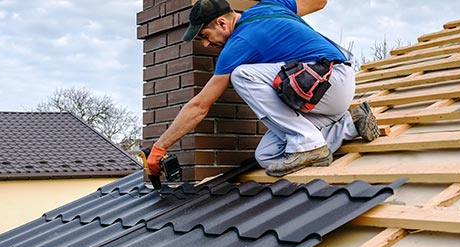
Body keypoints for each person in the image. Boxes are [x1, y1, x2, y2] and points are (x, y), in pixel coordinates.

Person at [146, 0, 379, 178]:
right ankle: (350, 123)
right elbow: (320, 2)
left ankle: (309, 143)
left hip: (329, 79)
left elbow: (199, 106)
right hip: (325, 95)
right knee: (267, 156)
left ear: (222, 23)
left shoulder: (239, 44)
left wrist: (160, 147)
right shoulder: (272, 5)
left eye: (205, 36)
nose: (206, 44)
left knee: (242, 75)